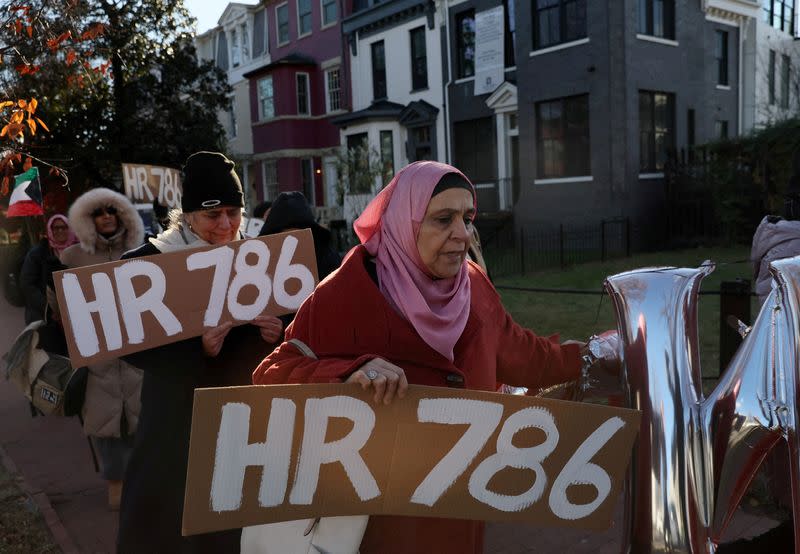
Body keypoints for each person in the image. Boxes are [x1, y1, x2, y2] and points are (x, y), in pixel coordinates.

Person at [251, 161, 584, 554]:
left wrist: (595, 356)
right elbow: (272, 374)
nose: (463, 234)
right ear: (404, 223)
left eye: (467, 217)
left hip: (461, 522)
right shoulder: (342, 294)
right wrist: (348, 371)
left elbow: (524, 353)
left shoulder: (473, 285)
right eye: (444, 219)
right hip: (378, 533)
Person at [116, 152, 284, 554]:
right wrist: (197, 349)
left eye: (233, 212)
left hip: (243, 429)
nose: (226, 225)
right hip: (175, 427)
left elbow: (297, 338)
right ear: (188, 216)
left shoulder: (267, 263)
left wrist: (279, 334)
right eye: (213, 216)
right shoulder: (148, 262)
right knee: (172, 533)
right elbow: (129, 345)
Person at [60, 188, 145, 510]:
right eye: (98, 212)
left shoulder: (144, 252)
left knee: (143, 418)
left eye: (112, 210)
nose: (106, 217)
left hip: (139, 352)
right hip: (97, 357)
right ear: (88, 219)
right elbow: (60, 311)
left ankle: (143, 480)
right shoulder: (71, 258)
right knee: (104, 423)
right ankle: (115, 484)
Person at [258, 191, 341, 298]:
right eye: (285, 239)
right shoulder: (261, 267)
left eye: (298, 237)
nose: (292, 247)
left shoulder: (328, 261)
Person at [19, 214, 77, 324]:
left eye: (64, 227)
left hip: (74, 312)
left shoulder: (78, 250)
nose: (60, 230)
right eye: (55, 228)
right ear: (50, 230)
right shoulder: (37, 253)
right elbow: (27, 284)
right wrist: (49, 308)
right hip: (45, 315)